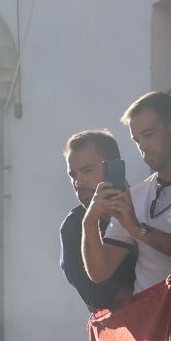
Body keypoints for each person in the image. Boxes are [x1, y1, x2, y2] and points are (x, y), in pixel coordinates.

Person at [80, 91, 171, 295]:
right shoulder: (135, 194)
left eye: (149, 134)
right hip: (149, 319)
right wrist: (89, 222)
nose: (143, 146)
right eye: (136, 139)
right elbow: (99, 272)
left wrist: (135, 228)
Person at [60, 129, 141, 311]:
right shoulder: (73, 227)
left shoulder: (145, 202)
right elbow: (95, 292)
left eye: (87, 170)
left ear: (113, 167)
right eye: (73, 175)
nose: (78, 182)